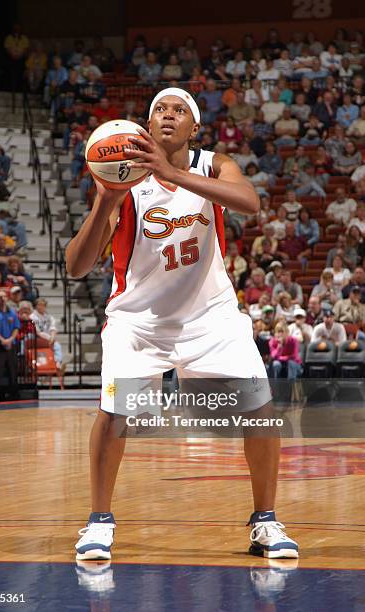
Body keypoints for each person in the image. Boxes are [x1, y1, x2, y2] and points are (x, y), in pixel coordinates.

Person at [66, 86, 298, 560]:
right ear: (147, 126)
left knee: (260, 409)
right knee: (117, 415)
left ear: (195, 127)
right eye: (159, 110)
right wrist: (107, 201)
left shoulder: (214, 163)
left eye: (179, 110)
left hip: (210, 316)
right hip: (138, 321)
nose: (168, 115)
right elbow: (76, 265)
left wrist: (173, 174)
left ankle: (266, 523)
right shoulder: (123, 178)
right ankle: (99, 522)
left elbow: (249, 202)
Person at [30, 298, 64, 371]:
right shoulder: (32, 316)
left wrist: (52, 337)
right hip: (36, 338)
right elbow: (37, 332)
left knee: (57, 346)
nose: (42, 307)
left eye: (43, 305)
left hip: (48, 338)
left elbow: (53, 328)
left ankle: (57, 363)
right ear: (36, 306)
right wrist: (49, 339)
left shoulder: (49, 317)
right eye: (40, 305)